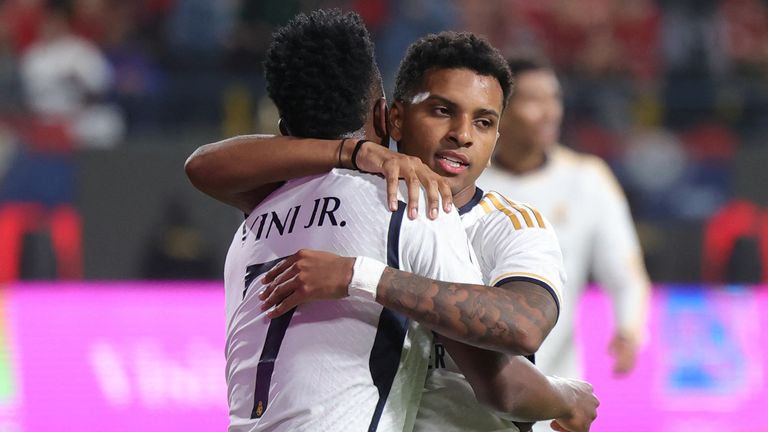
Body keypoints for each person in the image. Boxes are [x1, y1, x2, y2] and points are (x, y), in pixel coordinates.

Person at [187, 22, 598, 432]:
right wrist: (566, 398)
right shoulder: (409, 210)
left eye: (484, 122)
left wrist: (355, 272)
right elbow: (503, 386)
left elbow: (524, 324)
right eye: (442, 110)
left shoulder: (262, 209)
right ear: (391, 119)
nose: (462, 135)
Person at [209, 10, 487, 431]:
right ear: (382, 115)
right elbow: (488, 369)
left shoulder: (255, 219)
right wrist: (561, 396)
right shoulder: (407, 201)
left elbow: (200, 166)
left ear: (283, 130)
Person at [478, 55, 650, 428]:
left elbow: (625, 271)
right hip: (471, 389)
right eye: (533, 99)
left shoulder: (587, 179)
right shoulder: (469, 181)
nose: (549, 112)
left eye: (553, 98)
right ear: (500, 111)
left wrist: (629, 329)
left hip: (555, 391)